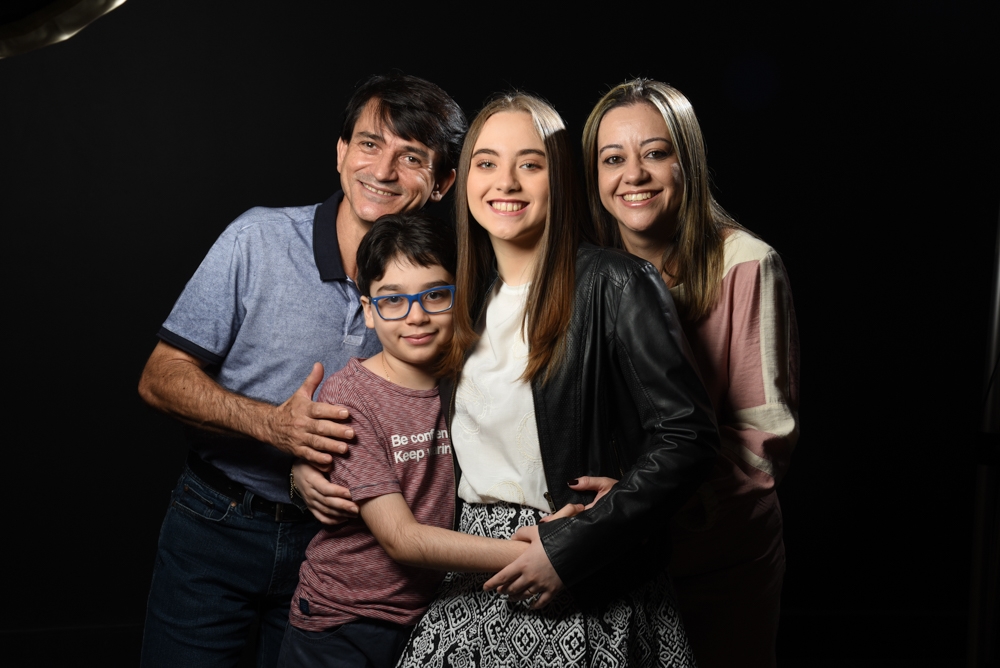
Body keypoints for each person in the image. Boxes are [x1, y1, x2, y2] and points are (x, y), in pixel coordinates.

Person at [137, 73, 466, 668]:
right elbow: (160, 377)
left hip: (345, 557)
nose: (383, 171)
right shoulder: (258, 238)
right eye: (369, 144)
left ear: (442, 182)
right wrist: (273, 427)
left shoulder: (439, 294)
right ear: (341, 153)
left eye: (411, 157)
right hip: (218, 524)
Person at [397, 93, 720, 668]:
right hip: (474, 569)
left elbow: (689, 436)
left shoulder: (616, 283)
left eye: (530, 163)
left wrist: (577, 543)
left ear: (561, 179)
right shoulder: (463, 299)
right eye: (487, 162)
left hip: (582, 567)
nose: (506, 182)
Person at [582, 78, 800, 668]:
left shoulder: (746, 263)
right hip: (608, 557)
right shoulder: (584, 269)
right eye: (612, 159)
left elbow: (762, 445)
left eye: (655, 153)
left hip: (716, 561)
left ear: (688, 161)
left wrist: (638, 503)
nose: (634, 175)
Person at [280, 212, 538, 668]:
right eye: (393, 300)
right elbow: (401, 539)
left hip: (431, 617)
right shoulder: (349, 398)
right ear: (368, 311)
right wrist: (536, 554)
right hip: (343, 621)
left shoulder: (470, 379)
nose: (416, 316)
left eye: (435, 295)